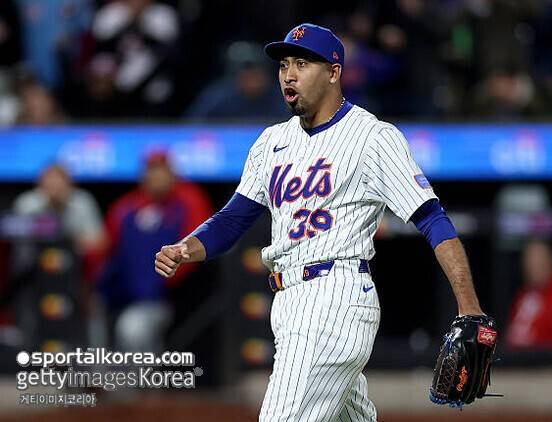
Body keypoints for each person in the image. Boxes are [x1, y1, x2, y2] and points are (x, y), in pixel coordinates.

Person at [154, 23, 486, 421]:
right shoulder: (271, 142)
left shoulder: (372, 137)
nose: (288, 75)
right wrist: (186, 246)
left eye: (302, 64)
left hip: (333, 298)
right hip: (289, 302)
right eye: (284, 65)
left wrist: (470, 309)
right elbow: (233, 218)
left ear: (333, 72)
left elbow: (432, 219)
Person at [99, 152, 212, 352]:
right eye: (152, 171)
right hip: (124, 295)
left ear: (172, 174)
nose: (157, 177)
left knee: (133, 328)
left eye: (162, 171)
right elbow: (106, 252)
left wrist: (166, 280)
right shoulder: (126, 208)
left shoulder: (188, 200)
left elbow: (201, 244)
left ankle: (145, 372)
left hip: (175, 294)